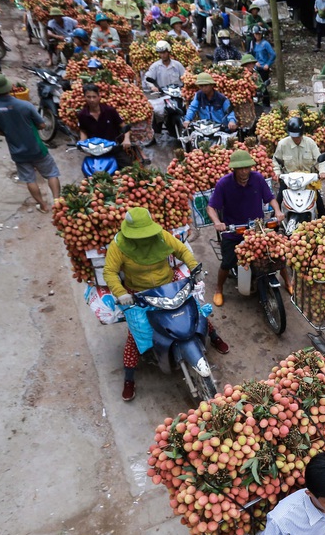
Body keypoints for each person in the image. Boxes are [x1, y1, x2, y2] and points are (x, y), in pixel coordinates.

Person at [102, 207, 229, 401]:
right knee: (136, 335)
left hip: (170, 286)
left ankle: (213, 335)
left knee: (196, 315)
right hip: (139, 293)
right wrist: (121, 293)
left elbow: (181, 250)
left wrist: (194, 266)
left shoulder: (161, 236)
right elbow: (109, 272)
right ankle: (129, 378)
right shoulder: (118, 245)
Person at [206, 149, 282, 306]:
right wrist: (217, 222)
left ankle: (288, 282)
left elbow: (270, 198)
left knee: (276, 253)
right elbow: (211, 207)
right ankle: (219, 289)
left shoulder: (258, 179)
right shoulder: (224, 184)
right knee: (227, 262)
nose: (244, 171)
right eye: (240, 168)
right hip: (234, 231)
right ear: (234, 169)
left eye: (247, 168)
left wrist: (278, 210)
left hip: (257, 229)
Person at [0, 72, 60, 213]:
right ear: (9, 86)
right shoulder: (25, 105)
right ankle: (57, 203)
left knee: (30, 179)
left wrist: (10, 132)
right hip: (36, 148)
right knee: (51, 173)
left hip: (17, 151)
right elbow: (42, 125)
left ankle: (43, 206)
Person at [274, 116, 325, 216]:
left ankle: (323, 223)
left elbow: (319, 159)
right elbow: (276, 160)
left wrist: (323, 172)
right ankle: (274, 228)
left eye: (298, 136)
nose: (296, 138)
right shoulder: (282, 144)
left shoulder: (310, 143)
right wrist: (277, 173)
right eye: (294, 136)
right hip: (289, 180)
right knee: (277, 203)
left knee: (321, 208)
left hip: (308, 180)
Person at [77, 83, 134, 168]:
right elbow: (83, 130)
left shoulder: (110, 111)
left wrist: (126, 139)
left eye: (94, 97)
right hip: (96, 150)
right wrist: (82, 142)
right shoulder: (82, 115)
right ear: (84, 97)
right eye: (88, 97)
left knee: (129, 169)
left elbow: (123, 126)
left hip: (114, 147)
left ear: (99, 97)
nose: (92, 100)